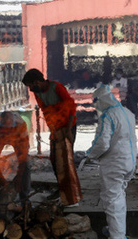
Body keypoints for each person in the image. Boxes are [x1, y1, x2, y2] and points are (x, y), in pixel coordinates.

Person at [22, 68, 82, 207]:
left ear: (37, 82)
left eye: (31, 85)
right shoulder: (38, 93)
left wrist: (68, 131)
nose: (30, 89)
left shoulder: (57, 87)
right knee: (55, 159)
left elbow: (71, 107)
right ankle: (62, 189)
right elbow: (46, 112)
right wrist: (53, 130)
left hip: (68, 126)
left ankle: (71, 195)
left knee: (66, 159)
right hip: (56, 128)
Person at [86, 85, 137, 239]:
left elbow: (102, 144)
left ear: (101, 100)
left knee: (112, 199)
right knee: (119, 196)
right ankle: (117, 229)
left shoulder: (107, 116)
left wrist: (89, 155)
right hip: (129, 161)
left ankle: (117, 238)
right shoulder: (128, 113)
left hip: (115, 163)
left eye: (96, 102)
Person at [0, 111, 31, 205]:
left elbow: (24, 154)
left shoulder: (21, 125)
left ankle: (24, 197)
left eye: (9, 130)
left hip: (17, 139)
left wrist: (19, 176)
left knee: (26, 163)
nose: (7, 134)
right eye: (4, 130)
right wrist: (1, 178)